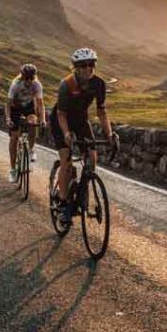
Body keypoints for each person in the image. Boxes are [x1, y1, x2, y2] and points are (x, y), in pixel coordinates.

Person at [49, 48, 119, 223]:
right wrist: (66, 133)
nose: (89, 68)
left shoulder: (98, 84)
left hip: (80, 121)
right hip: (61, 121)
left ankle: (83, 187)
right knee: (66, 162)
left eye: (92, 64)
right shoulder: (67, 84)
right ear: (76, 68)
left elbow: (102, 111)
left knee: (92, 158)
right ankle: (64, 204)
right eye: (85, 65)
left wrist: (109, 134)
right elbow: (61, 114)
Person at [5, 63, 46, 182]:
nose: (29, 80)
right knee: (14, 137)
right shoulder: (15, 84)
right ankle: (13, 169)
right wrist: (8, 118)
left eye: (31, 78)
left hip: (28, 107)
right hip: (15, 108)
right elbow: (8, 104)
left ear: (34, 77)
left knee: (33, 122)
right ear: (22, 76)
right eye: (26, 78)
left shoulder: (37, 85)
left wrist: (43, 119)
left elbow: (40, 104)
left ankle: (32, 149)